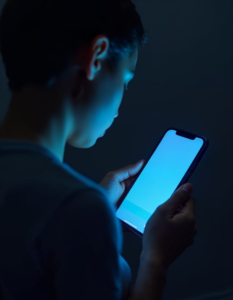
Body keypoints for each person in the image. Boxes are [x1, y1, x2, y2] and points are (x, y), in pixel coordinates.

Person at [0, 0, 197, 299]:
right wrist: (156, 261)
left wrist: (93, 209)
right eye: (125, 81)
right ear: (95, 58)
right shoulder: (79, 209)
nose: (120, 105)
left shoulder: (79, 208)